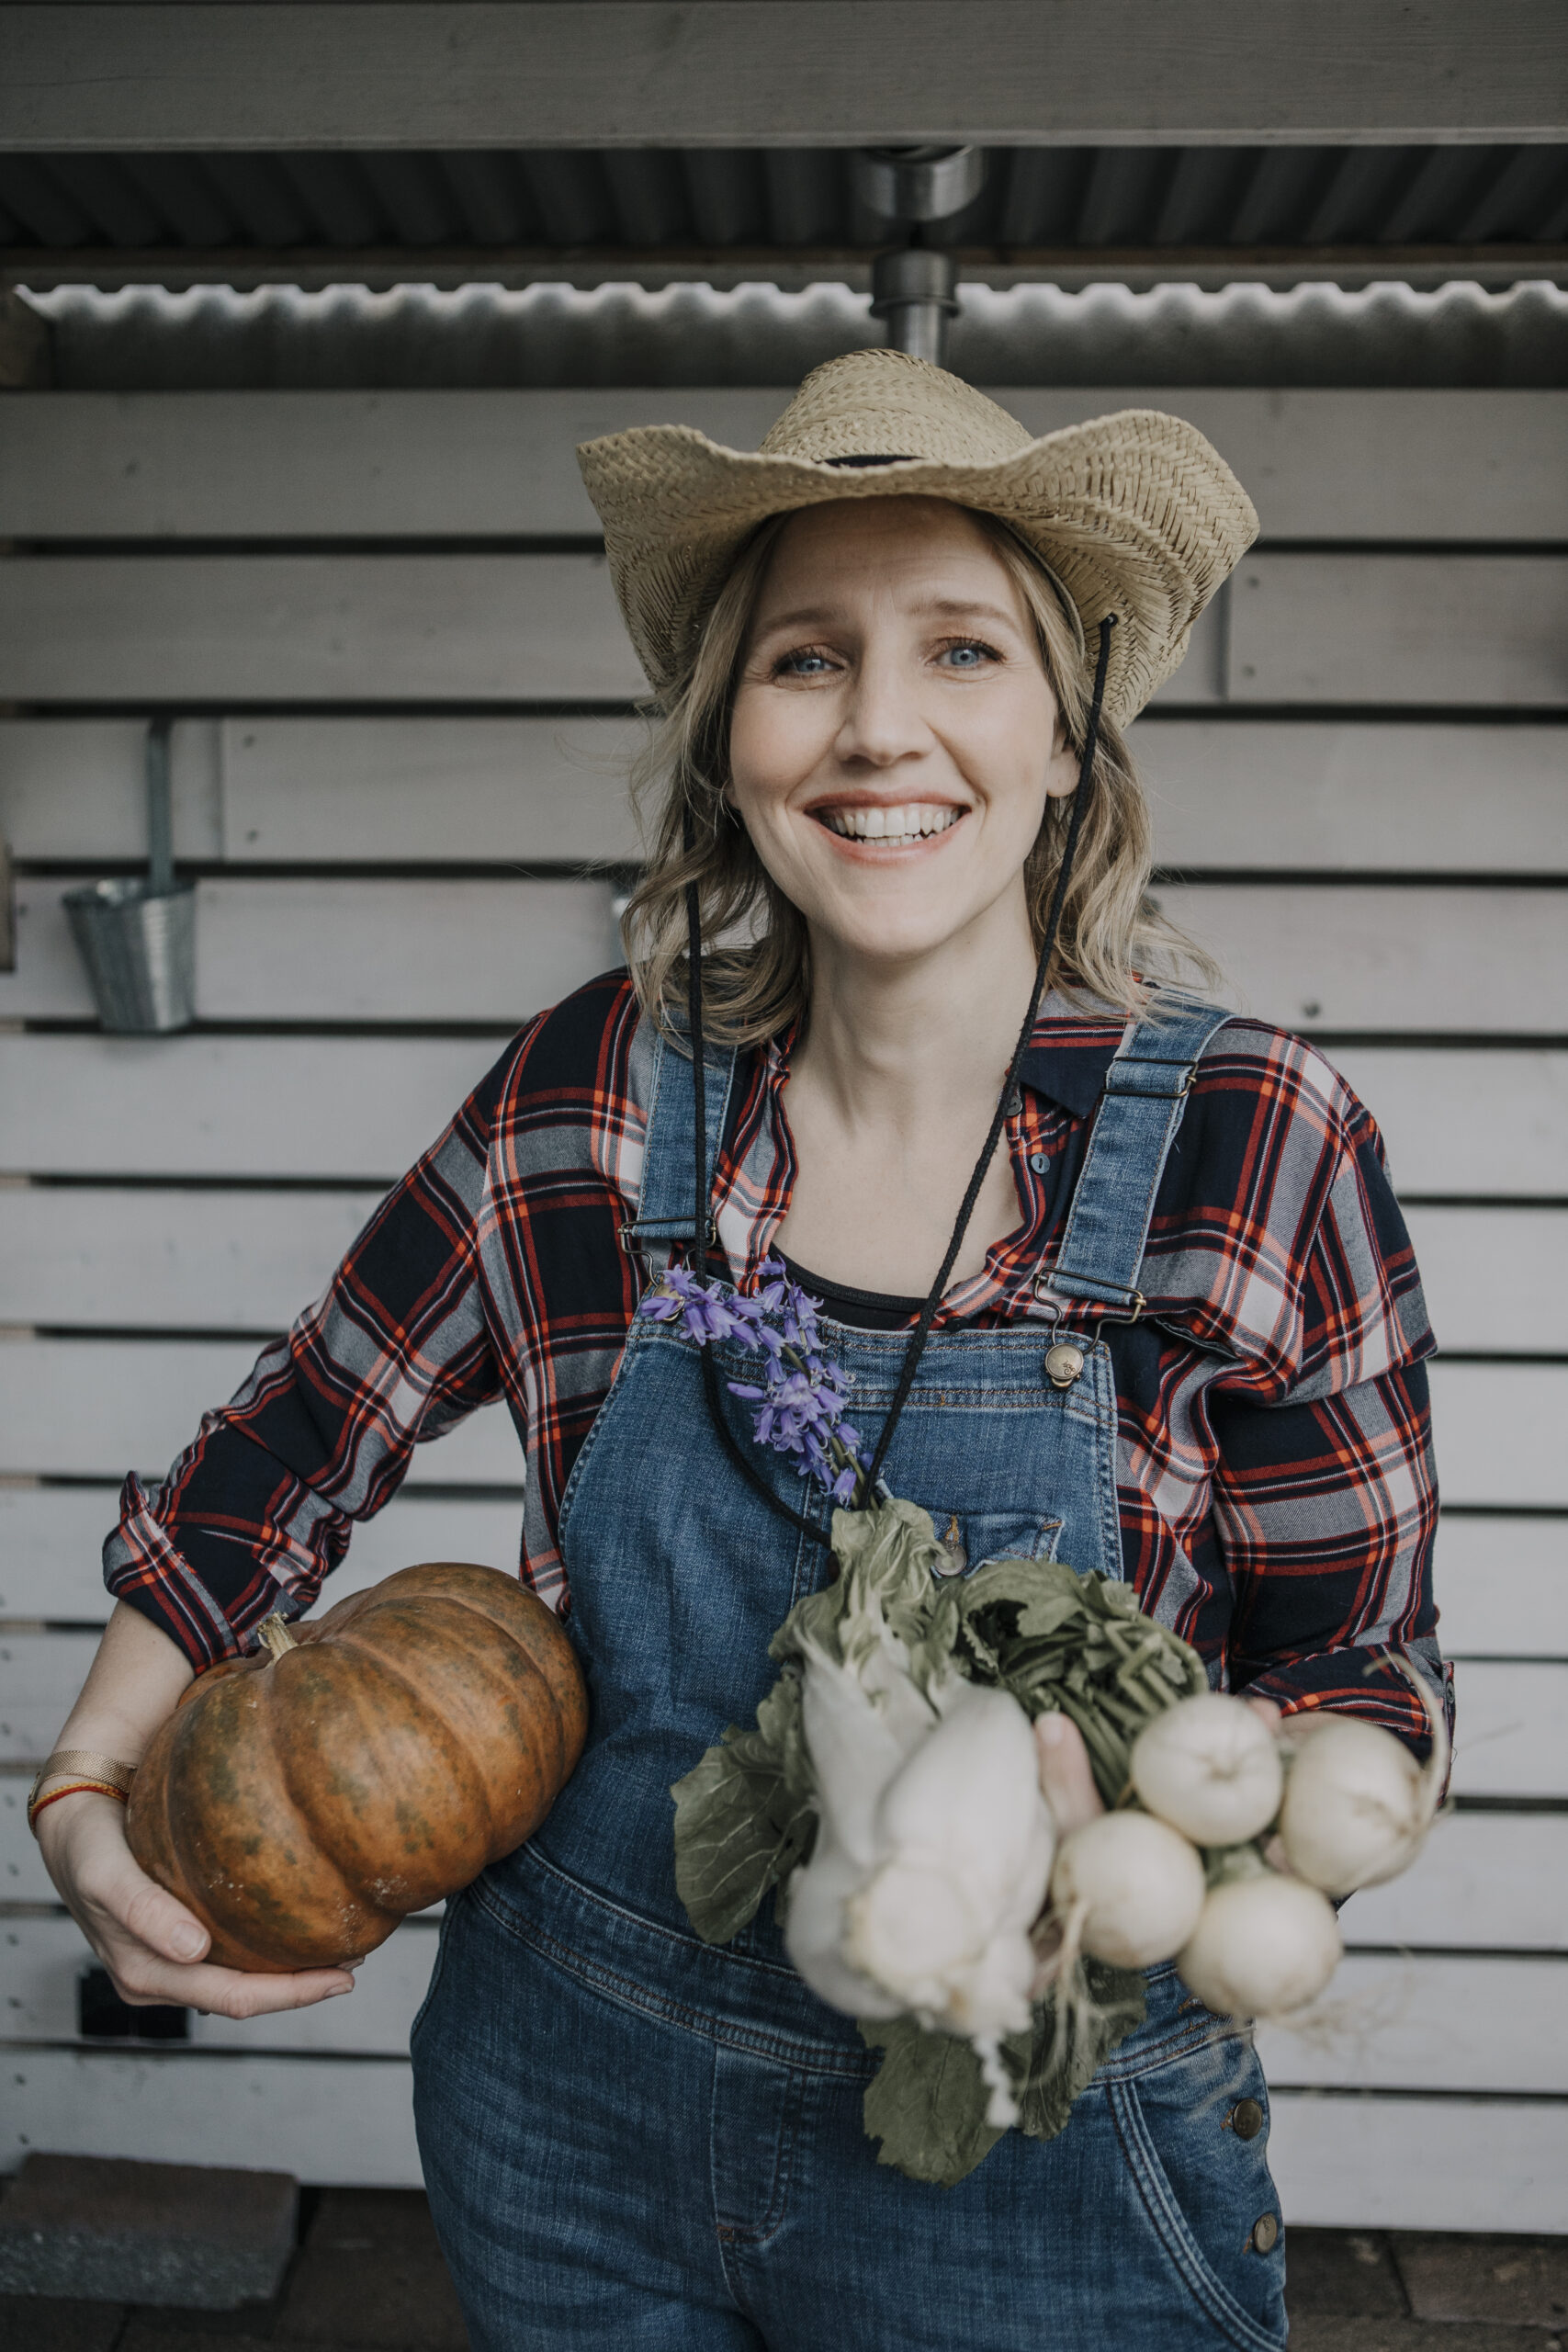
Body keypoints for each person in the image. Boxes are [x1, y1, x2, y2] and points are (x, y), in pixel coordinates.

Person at [33, 351, 1447, 2351]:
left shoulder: (1255, 1139)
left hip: (1030, 2156)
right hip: (570, 2113)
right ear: (725, 741)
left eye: (961, 648)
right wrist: (89, 1783)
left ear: (1068, 732)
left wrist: (1185, 1831)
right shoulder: (593, 1098)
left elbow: (1356, 1662)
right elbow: (289, 1441)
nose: (880, 726)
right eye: (804, 660)